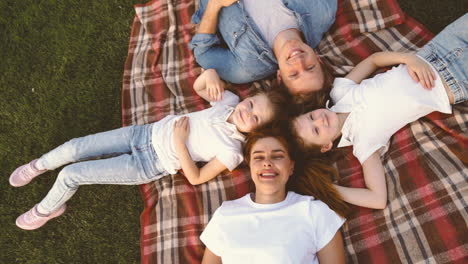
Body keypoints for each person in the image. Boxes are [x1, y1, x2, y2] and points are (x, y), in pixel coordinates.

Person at [9, 69, 289, 230]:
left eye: (255, 118)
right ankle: (39, 165)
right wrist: (211, 74)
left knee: (72, 174)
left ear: (257, 130)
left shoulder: (233, 151)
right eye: (251, 104)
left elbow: (196, 178)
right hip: (143, 133)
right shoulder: (228, 102)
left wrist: (180, 143)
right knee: (75, 146)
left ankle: (46, 210)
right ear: (249, 97)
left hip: (149, 164)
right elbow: (199, 85)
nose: (246, 112)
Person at [290, 14, 467, 209]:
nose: (320, 120)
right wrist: (329, 190)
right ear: (326, 146)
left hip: (434, 51)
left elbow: (374, 60)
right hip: (455, 81)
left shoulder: (339, 92)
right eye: (316, 131)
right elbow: (377, 199)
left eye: (311, 117)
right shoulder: (363, 142)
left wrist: (408, 59)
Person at [200, 128, 347, 264]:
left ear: (291, 167)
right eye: (258, 157)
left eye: (277, 156)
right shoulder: (225, 214)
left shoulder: (314, 212)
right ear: (250, 166)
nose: (267, 163)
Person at [189, 0, 337, 94]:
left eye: (294, 74)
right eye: (310, 67)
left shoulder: (246, 68)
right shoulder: (322, 13)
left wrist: (214, 5)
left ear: (280, 77)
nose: (299, 62)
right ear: (319, 60)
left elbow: (203, 53)